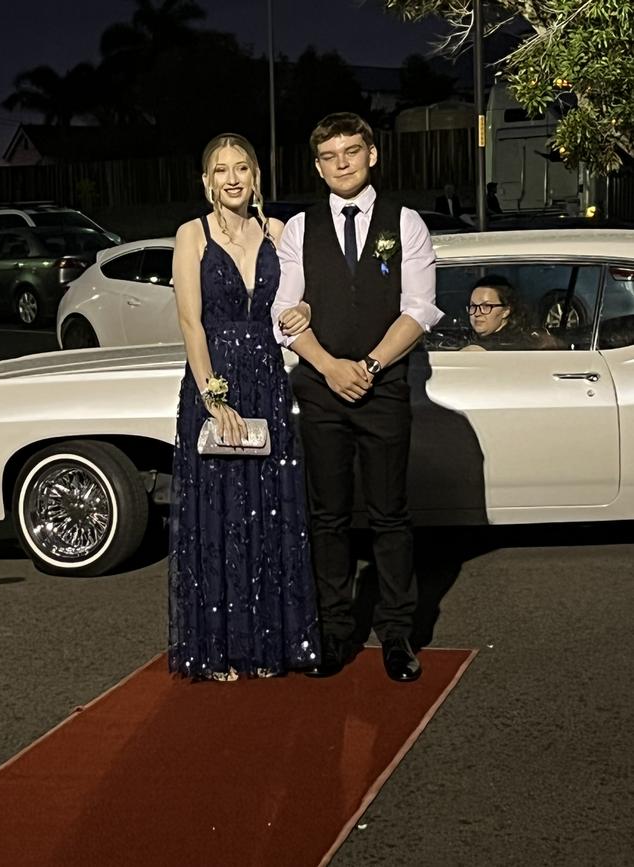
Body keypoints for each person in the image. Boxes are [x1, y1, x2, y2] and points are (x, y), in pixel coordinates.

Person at [272, 112, 442, 682]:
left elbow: (419, 308)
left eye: (351, 151)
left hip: (384, 387)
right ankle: (334, 631)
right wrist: (328, 366)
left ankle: (398, 634)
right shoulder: (299, 227)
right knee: (327, 517)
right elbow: (285, 310)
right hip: (320, 391)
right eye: (329, 155)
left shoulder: (406, 222)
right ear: (317, 166)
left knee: (390, 515)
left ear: (373, 155)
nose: (341, 162)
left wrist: (367, 366)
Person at [169, 133, 320, 681]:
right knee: (221, 515)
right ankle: (221, 649)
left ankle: (265, 644)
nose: (231, 178)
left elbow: (298, 300)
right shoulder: (192, 235)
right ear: (205, 181)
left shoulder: (279, 232)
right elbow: (190, 322)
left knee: (268, 512)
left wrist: (303, 309)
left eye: (241, 168)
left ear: (256, 175)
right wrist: (213, 397)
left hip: (267, 381)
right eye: (219, 170)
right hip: (216, 383)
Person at [462, 275, 557, 350]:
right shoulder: (469, 338)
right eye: (473, 306)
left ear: (506, 311)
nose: (477, 313)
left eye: (486, 306)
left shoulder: (511, 345)